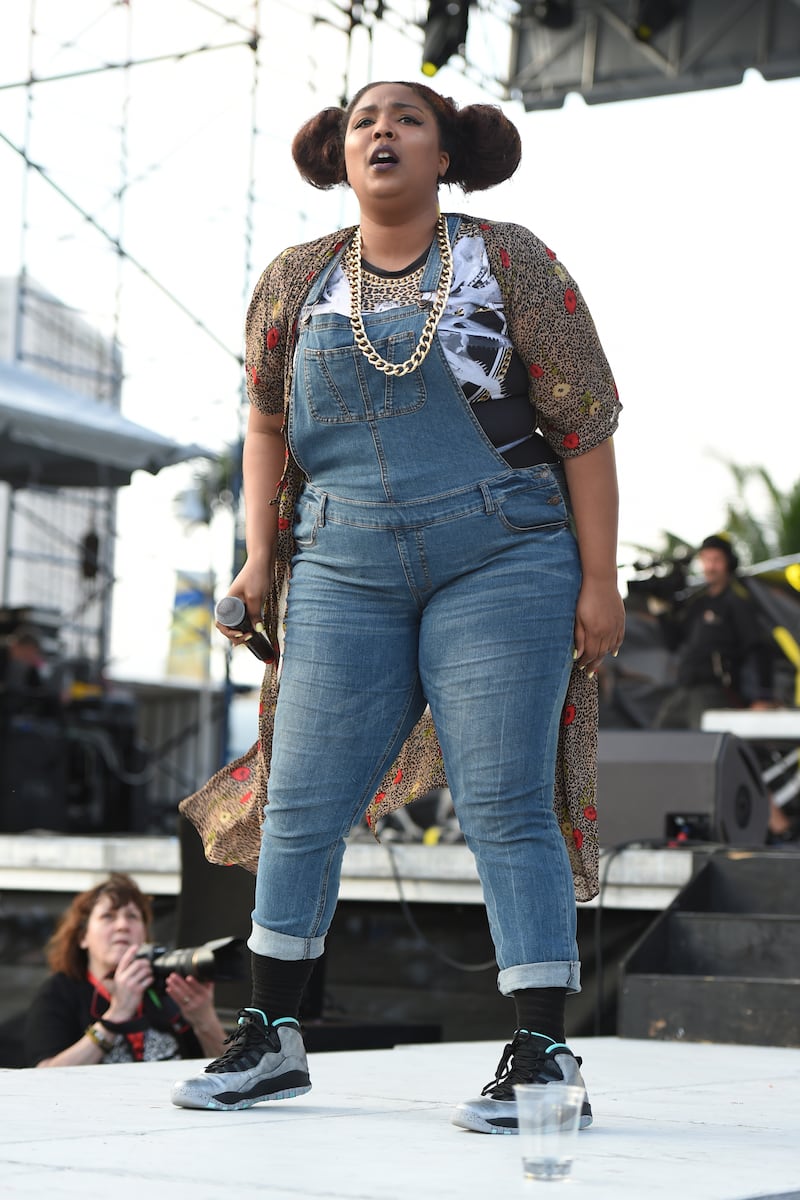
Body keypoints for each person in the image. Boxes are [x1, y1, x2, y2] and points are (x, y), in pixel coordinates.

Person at [173, 80, 625, 1132]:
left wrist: (598, 581)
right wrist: (254, 562)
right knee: (301, 797)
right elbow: (264, 425)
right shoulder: (295, 278)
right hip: (340, 562)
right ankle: (271, 1037)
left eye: (405, 119)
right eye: (360, 122)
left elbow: (585, 429)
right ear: (336, 157)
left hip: (502, 557)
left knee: (504, 801)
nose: (380, 132)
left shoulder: (506, 257)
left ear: (445, 152)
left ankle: (543, 1056)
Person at [25, 872, 227, 1066]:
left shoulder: (167, 986)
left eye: (132, 916)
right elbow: (45, 1074)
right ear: (82, 937)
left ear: (144, 935)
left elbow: (232, 1073)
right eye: (108, 916)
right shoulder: (60, 991)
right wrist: (115, 1016)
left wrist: (204, 1020)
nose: (122, 925)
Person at [653, 534, 774, 730]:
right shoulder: (697, 603)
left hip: (715, 691)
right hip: (684, 688)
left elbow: (758, 648)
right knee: (659, 739)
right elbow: (673, 644)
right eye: (706, 560)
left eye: (716, 560)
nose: (710, 566)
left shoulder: (737, 601)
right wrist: (661, 612)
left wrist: (762, 696)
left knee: (701, 748)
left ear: (728, 563)